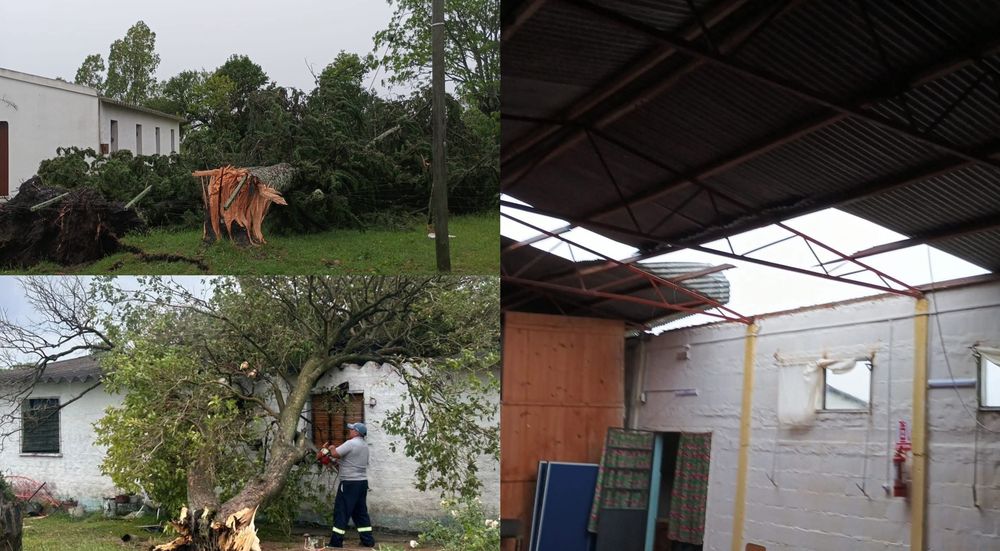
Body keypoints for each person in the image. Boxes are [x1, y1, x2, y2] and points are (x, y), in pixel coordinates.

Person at [322, 422, 375, 548]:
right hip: (361, 483)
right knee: (360, 513)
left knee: (341, 511)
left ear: (357, 432)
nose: (349, 431)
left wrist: (331, 449)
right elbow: (349, 462)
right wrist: (335, 463)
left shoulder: (351, 443)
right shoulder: (364, 446)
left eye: (351, 429)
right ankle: (368, 541)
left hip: (349, 484)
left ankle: (336, 542)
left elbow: (335, 454)